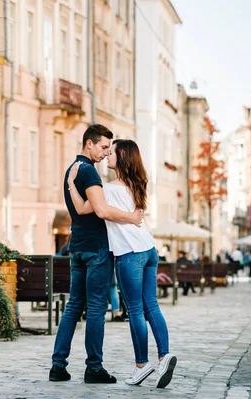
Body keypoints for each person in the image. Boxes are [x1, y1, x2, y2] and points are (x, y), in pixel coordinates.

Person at [67, 139, 177, 388]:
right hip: (149, 250)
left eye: (112, 152)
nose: (107, 155)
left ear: (123, 157)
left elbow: (84, 209)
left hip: (130, 254)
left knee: (136, 310)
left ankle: (142, 365)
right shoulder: (137, 184)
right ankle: (164, 355)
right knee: (152, 305)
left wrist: (72, 185)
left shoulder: (109, 189)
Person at [49, 124, 143, 384]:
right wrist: (132, 218)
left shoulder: (73, 170)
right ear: (88, 143)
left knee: (73, 307)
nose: (105, 153)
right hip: (97, 249)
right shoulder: (89, 172)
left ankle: (58, 366)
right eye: (103, 147)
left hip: (77, 246)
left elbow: (80, 210)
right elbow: (101, 210)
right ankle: (94, 368)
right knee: (96, 308)